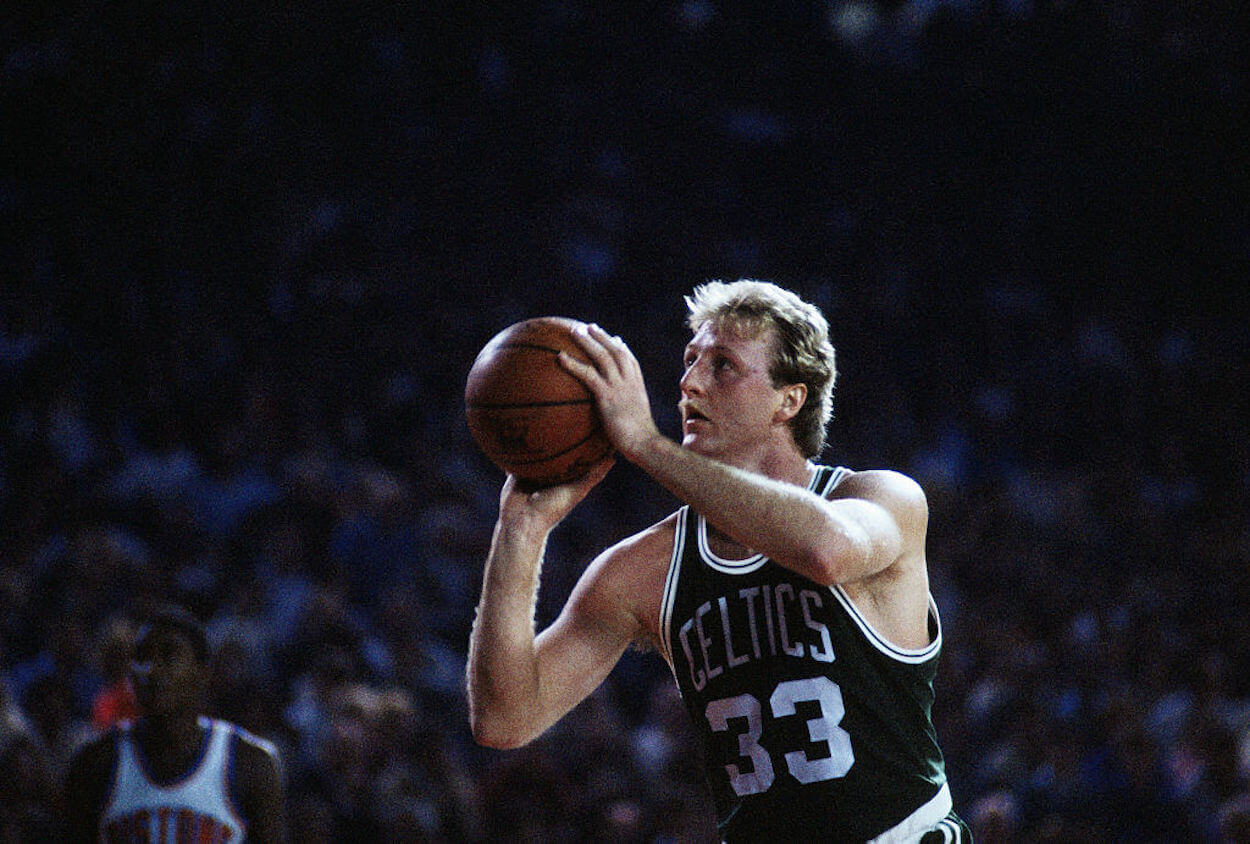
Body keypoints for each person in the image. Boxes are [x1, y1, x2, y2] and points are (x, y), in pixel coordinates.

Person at [467, 279, 968, 842]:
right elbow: (504, 718)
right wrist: (520, 530)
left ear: (789, 399)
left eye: (723, 365)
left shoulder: (883, 499)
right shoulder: (644, 568)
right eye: (689, 360)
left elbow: (825, 552)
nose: (689, 382)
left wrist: (646, 445)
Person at [64, 605, 287, 842]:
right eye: (142, 658)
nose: (152, 670)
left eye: (168, 656)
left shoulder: (251, 763)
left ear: (202, 674)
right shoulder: (95, 762)